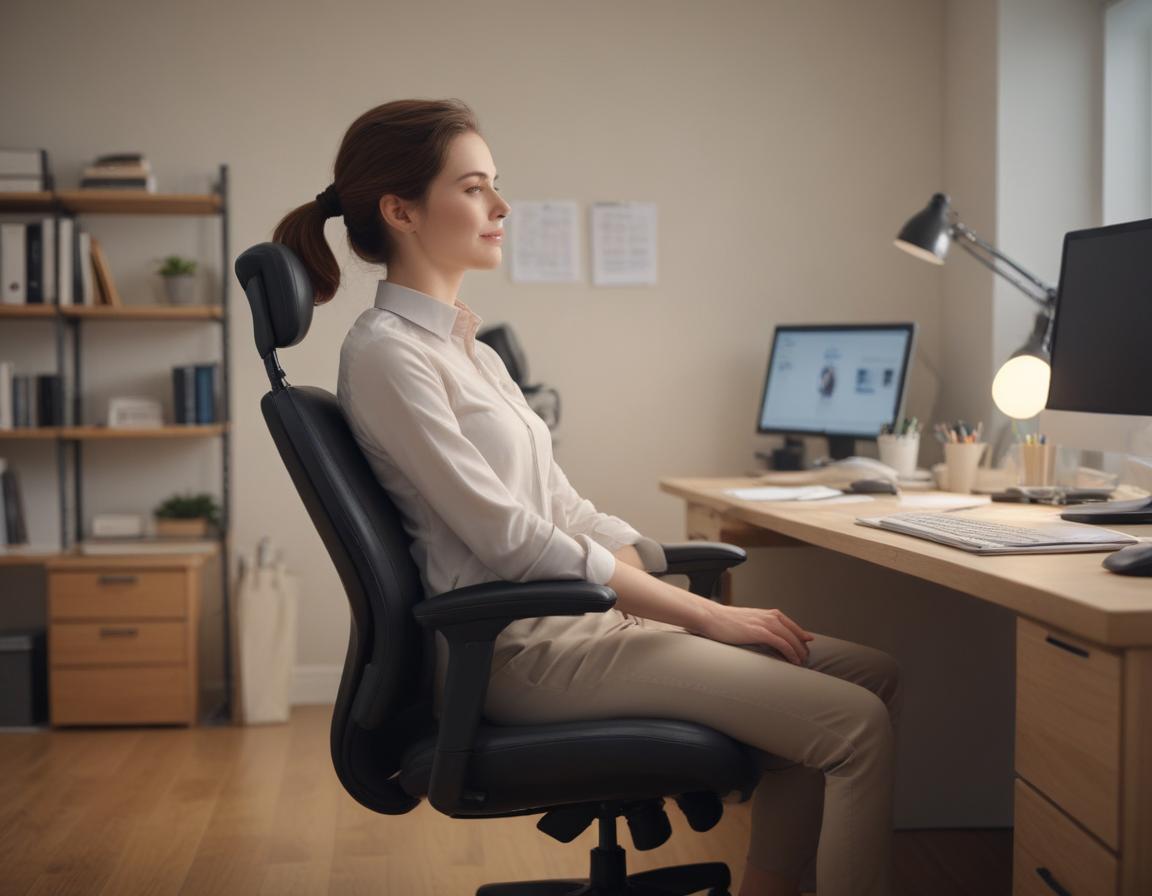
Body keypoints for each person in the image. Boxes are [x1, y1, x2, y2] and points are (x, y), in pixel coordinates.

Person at [272, 98, 903, 896]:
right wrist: (703, 614)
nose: (501, 207)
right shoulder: (388, 357)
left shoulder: (466, 346)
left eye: (496, 185)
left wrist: (649, 567)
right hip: (523, 653)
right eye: (474, 189)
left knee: (871, 675)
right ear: (401, 210)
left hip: (581, 623)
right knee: (854, 726)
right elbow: (511, 542)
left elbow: (562, 509)